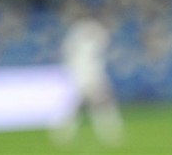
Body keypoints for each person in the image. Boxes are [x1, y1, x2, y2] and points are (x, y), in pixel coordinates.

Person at [51, 17, 124, 147]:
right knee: (98, 105)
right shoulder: (92, 31)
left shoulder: (76, 32)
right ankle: (109, 133)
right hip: (88, 75)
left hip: (82, 75)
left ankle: (62, 134)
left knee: (83, 106)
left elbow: (66, 52)